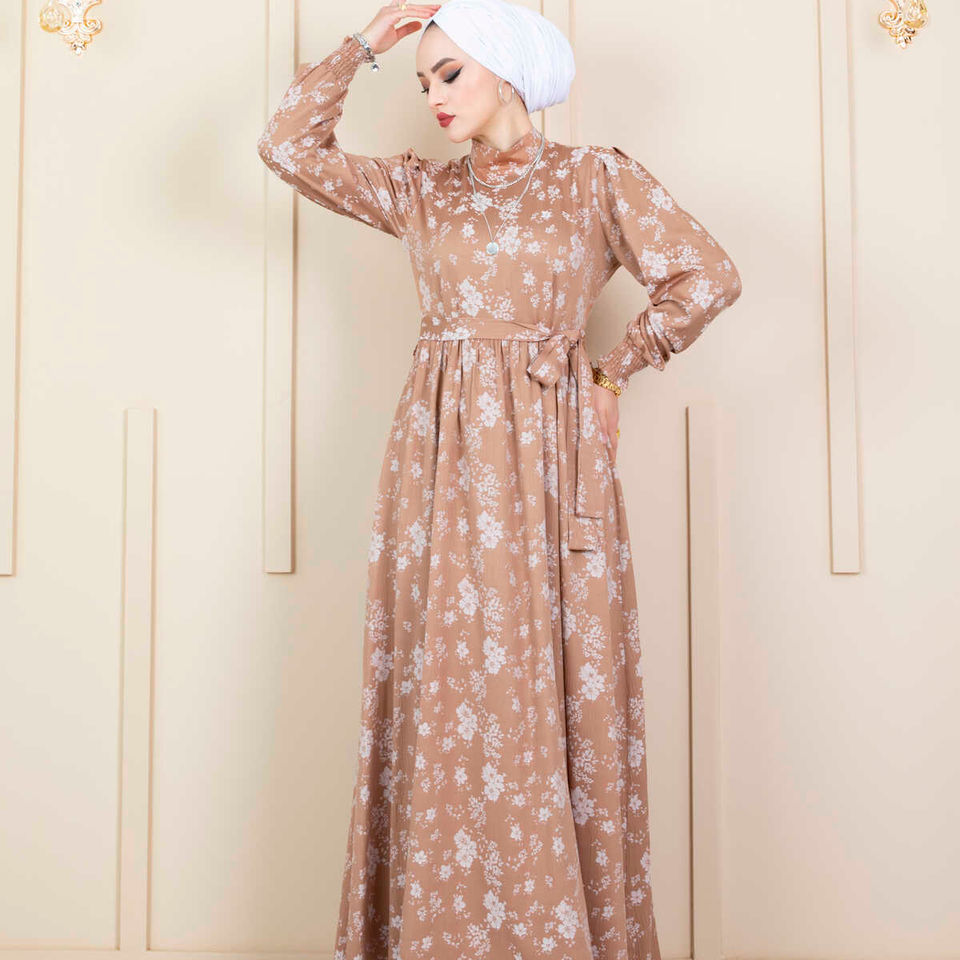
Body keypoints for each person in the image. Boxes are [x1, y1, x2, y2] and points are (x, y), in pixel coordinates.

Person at [257, 0, 742, 956]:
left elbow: (706, 276)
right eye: (424, 80)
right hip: (439, 464)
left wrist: (614, 371)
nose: (433, 96)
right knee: (446, 683)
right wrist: (366, 45)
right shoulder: (417, 191)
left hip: (555, 457)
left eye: (450, 72)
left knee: (554, 684)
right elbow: (287, 147)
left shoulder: (597, 179)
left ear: (509, 70)